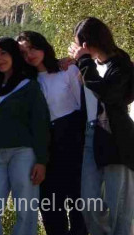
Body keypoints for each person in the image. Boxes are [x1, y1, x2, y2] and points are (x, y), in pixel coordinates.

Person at [0, 37, 50, 235]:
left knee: (25, 212)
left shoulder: (30, 86)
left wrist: (41, 160)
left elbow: (40, 125)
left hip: (23, 154)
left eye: (4, 53)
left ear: (14, 55)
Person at [68, 17, 134, 235]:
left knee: (118, 205)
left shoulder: (122, 65)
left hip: (116, 136)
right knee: (89, 203)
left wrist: (84, 61)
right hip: (90, 134)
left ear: (92, 41)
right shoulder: (90, 64)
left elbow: (106, 93)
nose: (81, 50)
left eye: (82, 45)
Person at [17, 31, 86, 235]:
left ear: (42, 45)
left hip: (73, 141)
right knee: (49, 206)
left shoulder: (67, 70)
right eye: (23, 52)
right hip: (45, 147)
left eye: (32, 48)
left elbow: (82, 107)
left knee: (79, 203)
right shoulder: (25, 83)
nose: (29, 55)